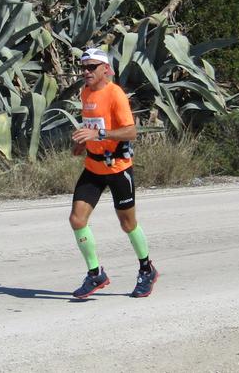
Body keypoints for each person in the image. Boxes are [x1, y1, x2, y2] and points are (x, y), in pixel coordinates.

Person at [69, 47, 158, 299]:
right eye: (83, 67)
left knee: (127, 224)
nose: (85, 72)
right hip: (93, 167)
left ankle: (146, 269)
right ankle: (95, 273)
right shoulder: (85, 92)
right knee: (77, 219)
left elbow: (130, 132)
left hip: (118, 168)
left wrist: (98, 135)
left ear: (105, 69)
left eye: (91, 67)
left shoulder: (115, 94)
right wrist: (83, 142)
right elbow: (93, 124)